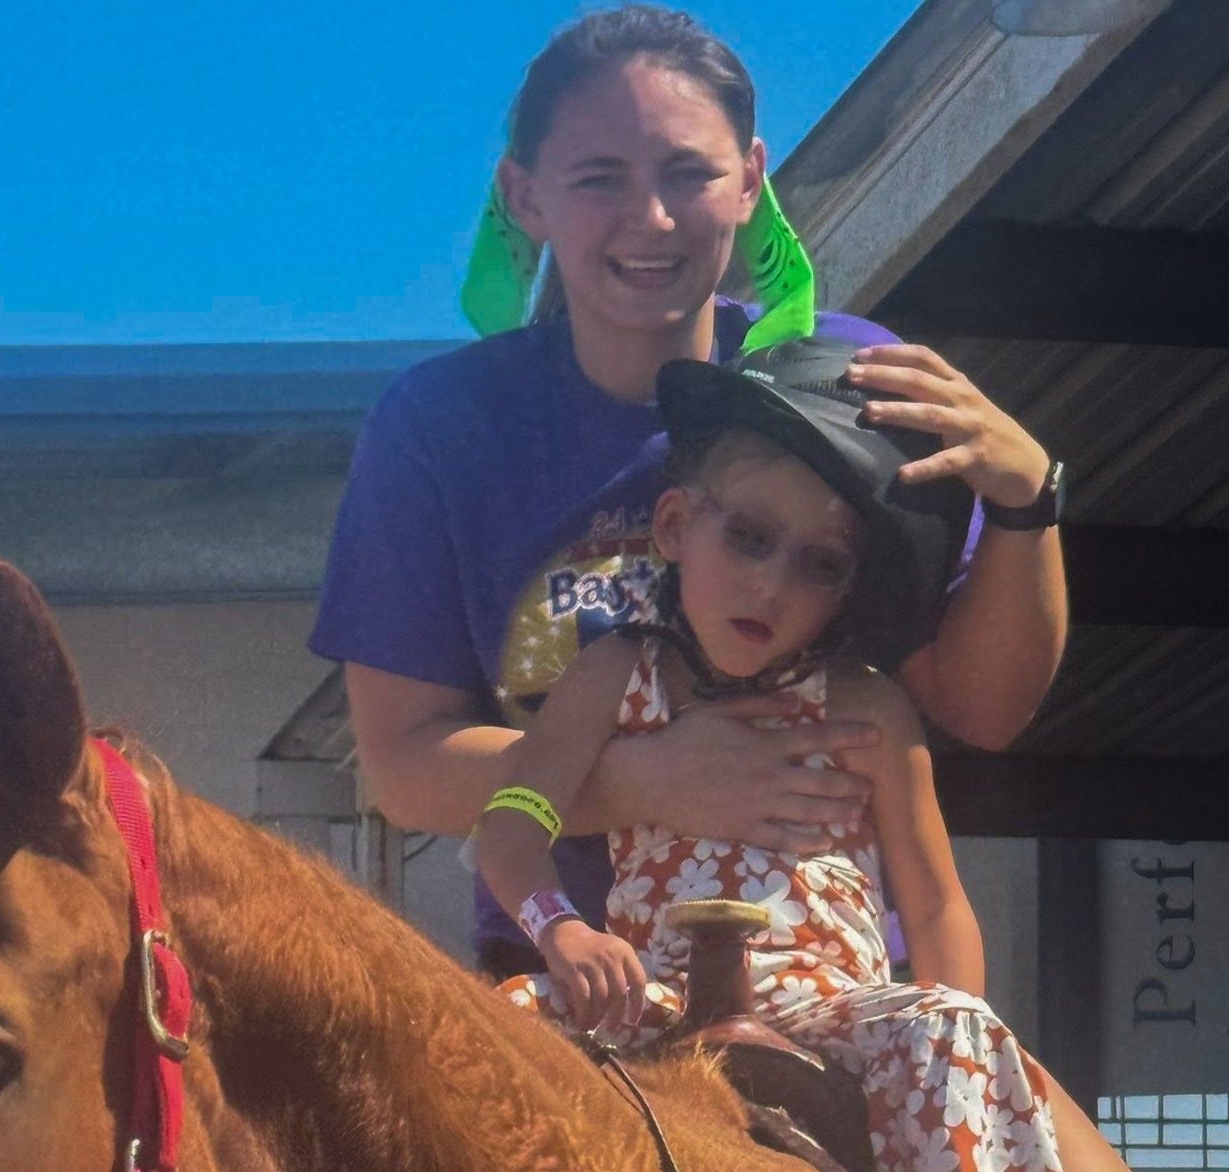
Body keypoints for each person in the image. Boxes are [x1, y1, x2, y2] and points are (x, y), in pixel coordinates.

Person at [309, 3, 1067, 984]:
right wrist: (650, 778)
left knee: (1048, 1144)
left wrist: (1028, 500)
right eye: (599, 178)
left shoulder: (851, 382)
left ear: (751, 179)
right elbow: (406, 766)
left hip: (835, 990)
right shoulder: (440, 424)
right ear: (525, 195)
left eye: (688, 173)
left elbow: (983, 707)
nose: (652, 218)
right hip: (569, 985)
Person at [470, 337, 1165, 1172]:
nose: (772, 582)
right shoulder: (614, 672)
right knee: (500, 1022)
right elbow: (515, 818)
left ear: (849, 591)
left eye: (820, 562)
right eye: (750, 536)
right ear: (677, 525)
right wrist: (558, 930)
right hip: (658, 989)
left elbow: (938, 901)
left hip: (829, 1003)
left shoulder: (870, 709)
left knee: (953, 1035)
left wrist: (951, 1018)